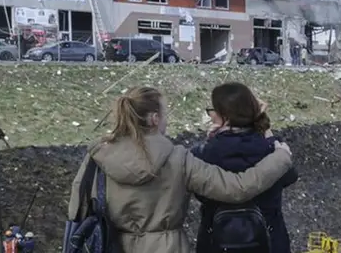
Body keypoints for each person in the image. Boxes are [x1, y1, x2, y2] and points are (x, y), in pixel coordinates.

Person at [68, 87, 293, 253]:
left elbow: (77, 212)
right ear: (155, 118)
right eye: (165, 114)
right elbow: (237, 188)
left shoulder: (97, 156)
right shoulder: (178, 159)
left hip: (111, 246)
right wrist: (280, 157)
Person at [192, 82, 298, 253]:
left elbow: (199, 191)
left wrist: (211, 140)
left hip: (216, 242)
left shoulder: (205, 153)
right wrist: (267, 132)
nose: (211, 115)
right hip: (270, 242)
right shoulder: (274, 150)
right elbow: (290, 176)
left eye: (213, 110)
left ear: (224, 116)